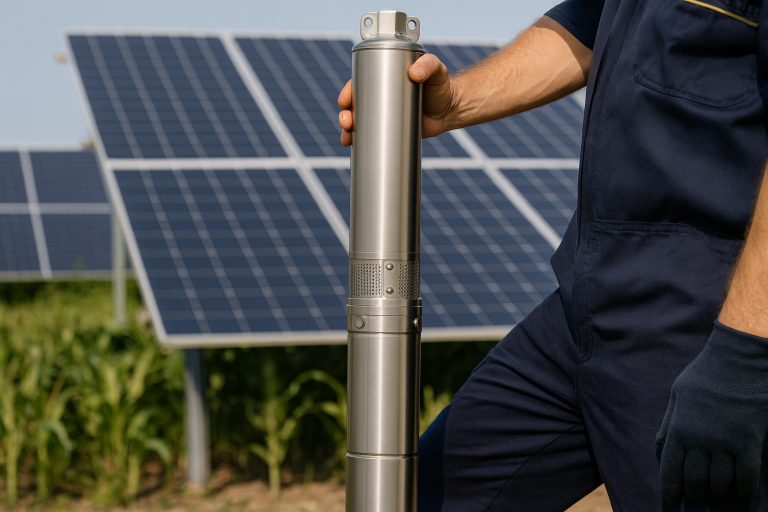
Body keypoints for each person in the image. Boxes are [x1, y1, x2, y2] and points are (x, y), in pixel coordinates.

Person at [338, 1, 768, 510]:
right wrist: (455, 101)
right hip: (584, 301)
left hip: (703, 313)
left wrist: (742, 354)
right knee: (421, 493)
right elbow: (585, 23)